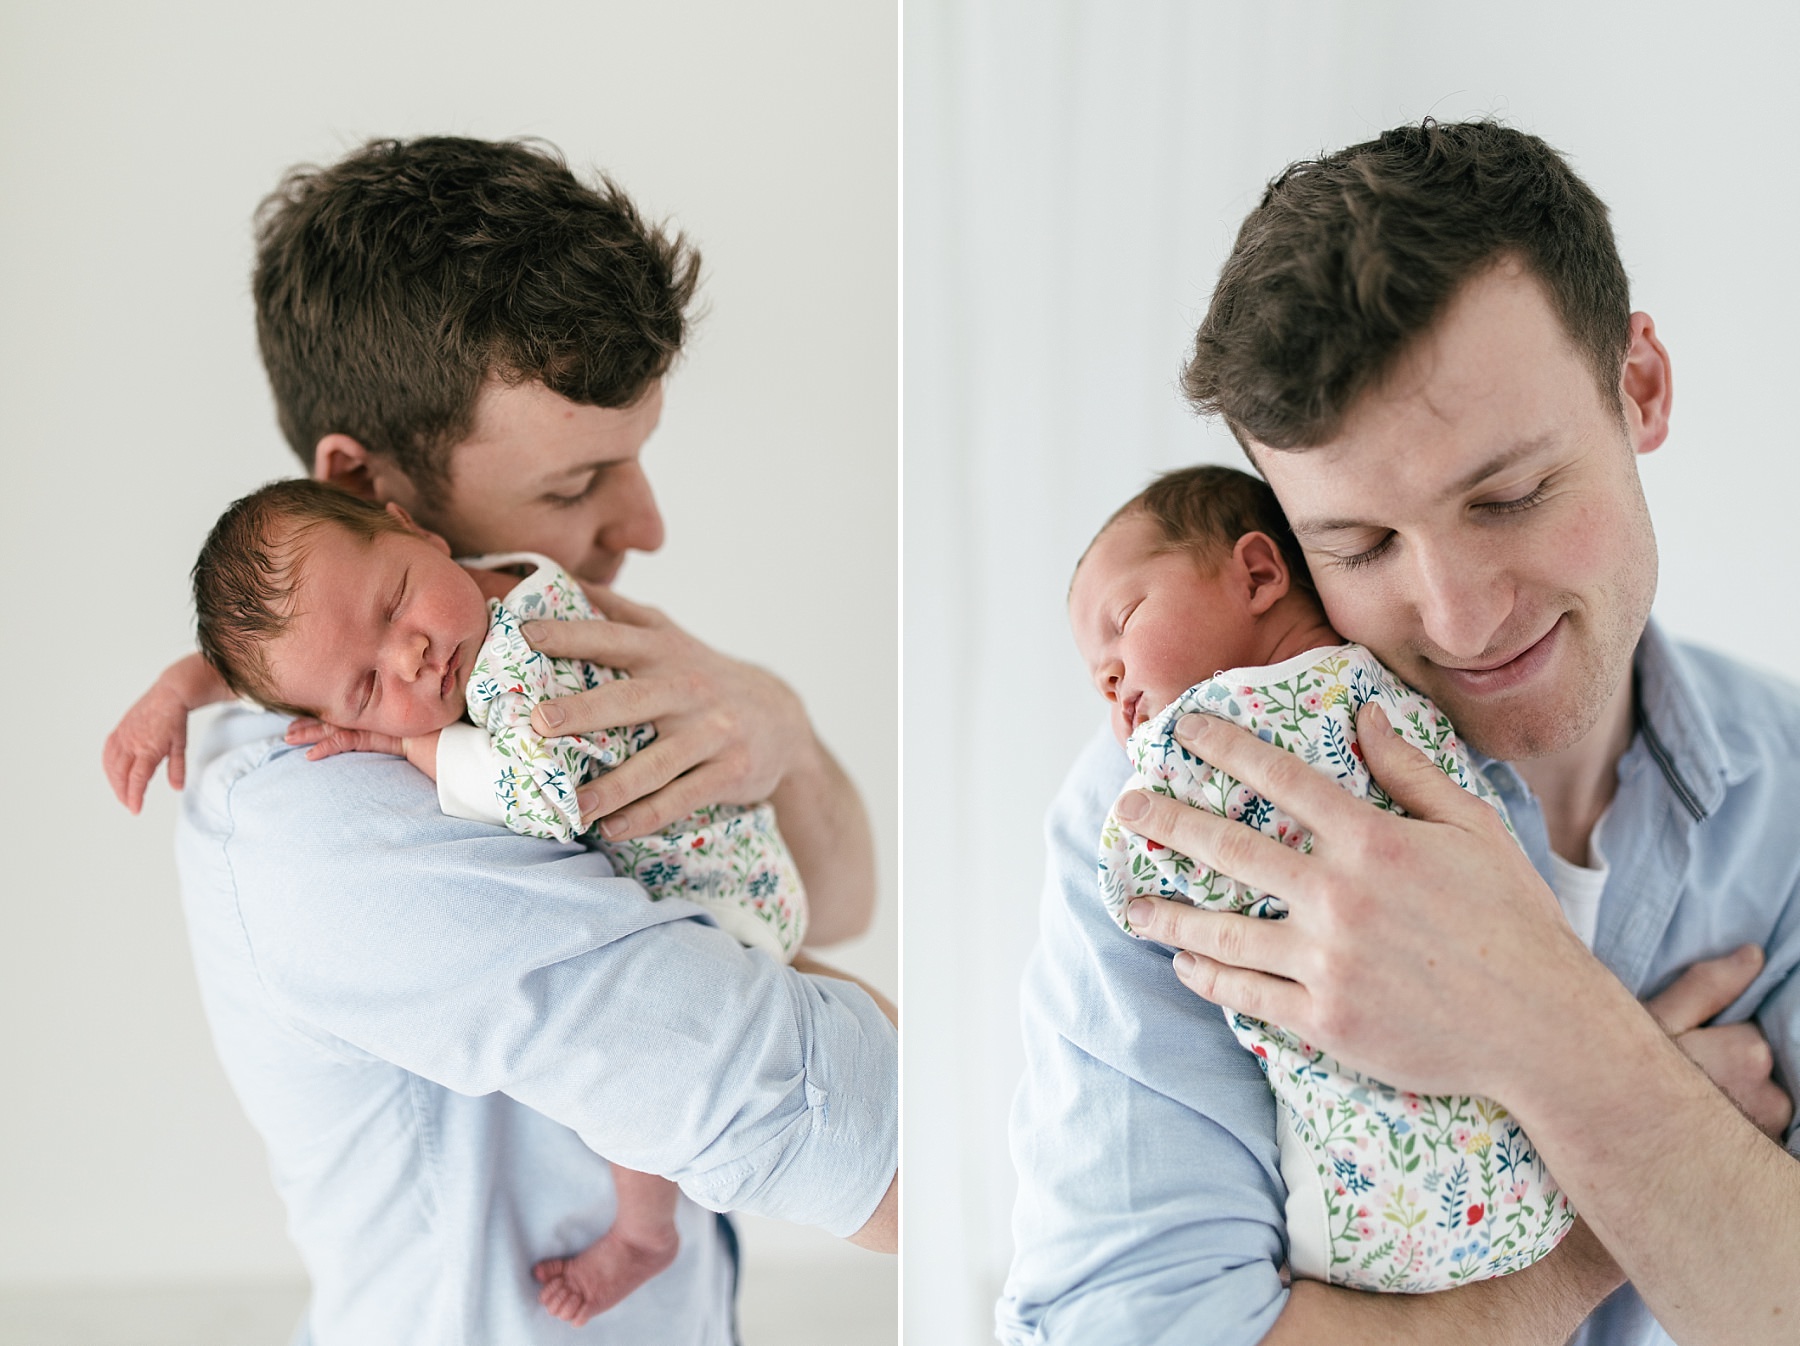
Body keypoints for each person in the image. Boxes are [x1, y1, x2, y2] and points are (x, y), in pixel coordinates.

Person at [1002, 120, 1798, 1346]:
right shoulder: (1183, 809)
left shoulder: (1787, 800)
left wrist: (1538, 1012)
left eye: (1512, 494)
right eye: (1359, 545)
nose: (1461, 615)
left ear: (1639, 387)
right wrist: (1623, 1175)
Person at [105, 137, 896, 1345]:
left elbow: (833, 900)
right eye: (579, 482)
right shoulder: (322, 810)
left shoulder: (536, 646)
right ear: (370, 489)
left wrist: (772, 721)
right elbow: (791, 1093)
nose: (645, 522)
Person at [1069, 464, 1571, 1291]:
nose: (1111, 678)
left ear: (1260, 573)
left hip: (1374, 1212)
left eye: (1122, 623)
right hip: (1538, 1180)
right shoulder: (1402, 692)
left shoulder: (1198, 738)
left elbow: (1128, 884)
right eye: (1099, 674)